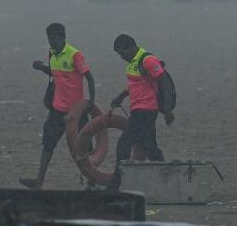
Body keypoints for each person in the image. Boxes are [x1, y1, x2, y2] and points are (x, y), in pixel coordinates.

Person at [19, 23, 94, 190]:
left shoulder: (75, 55)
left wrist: (91, 103)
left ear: (62, 37)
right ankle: (39, 180)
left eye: (52, 39)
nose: (50, 42)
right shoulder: (52, 54)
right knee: (48, 143)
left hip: (76, 111)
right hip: (57, 109)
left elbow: (89, 77)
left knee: (84, 146)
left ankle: (92, 181)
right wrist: (41, 68)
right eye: (48, 39)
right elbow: (55, 73)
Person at [108, 34, 174, 172]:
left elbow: (165, 82)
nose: (122, 57)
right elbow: (134, 85)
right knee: (149, 146)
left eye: (122, 53)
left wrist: (167, 110)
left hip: (147, 111)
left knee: (123, 145)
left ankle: (118, 180)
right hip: (137, 109)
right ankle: (166, 173)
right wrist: (121, 97)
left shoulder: (147, 60)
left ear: (131, 47)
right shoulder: (132, 64)